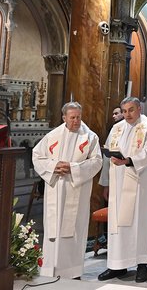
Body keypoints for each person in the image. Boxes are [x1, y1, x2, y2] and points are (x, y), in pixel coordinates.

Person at [32, 102, 102, 279]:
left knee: (73, 229)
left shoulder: (90, 137)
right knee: (54, 227)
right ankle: (50, 269)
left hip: (75, 188)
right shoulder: (52, 135)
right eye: (72, 118)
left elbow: (97, 162)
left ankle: (72, 271)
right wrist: (54, 166)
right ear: (64, 118)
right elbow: (37, 155)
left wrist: (73, 168)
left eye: (79, 117)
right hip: (56, 187)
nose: (77, 121)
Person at [98, 97, 147, 283]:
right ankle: (117, 265)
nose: (127, 115)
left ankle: (142, 265)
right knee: (117, 224)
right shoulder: (117, 128)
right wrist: (106, 183)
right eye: (124, 111)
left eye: (131, 110)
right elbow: (108, 155)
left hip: (138, 181)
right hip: (117, 183)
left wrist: (129, 161)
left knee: (138, 223)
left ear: (139, 109)